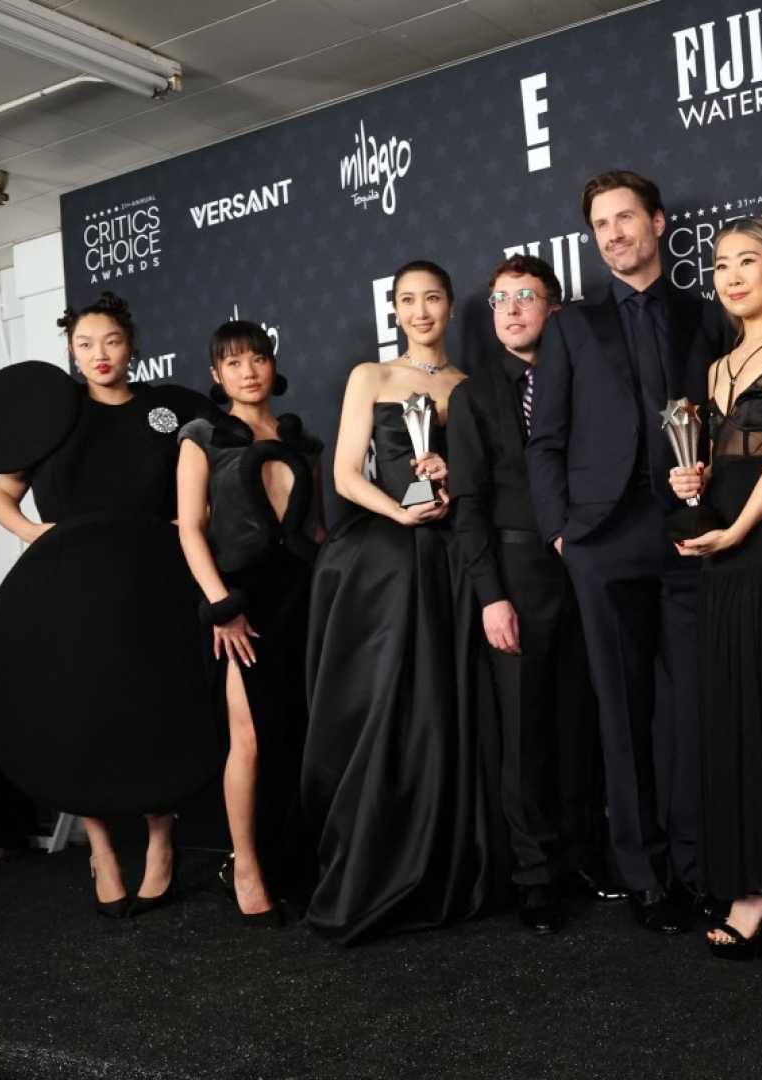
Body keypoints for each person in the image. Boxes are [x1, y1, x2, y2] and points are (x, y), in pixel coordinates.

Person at [526, 169, 728, 935]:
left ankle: (697, 866)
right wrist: (560, 532)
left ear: (658, 222)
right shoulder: (571, 326)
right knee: (622, 711)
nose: (613, 234)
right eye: (600, 225)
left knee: (691, 712)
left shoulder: (704, 316)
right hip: (601, 540)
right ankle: (644, 875)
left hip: (688, 534)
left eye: (624, 218)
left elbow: (727, 420)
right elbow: (545, 439)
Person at [0, 293, 217, 919]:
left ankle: (160, 843)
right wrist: (37, 535)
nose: (99, 355)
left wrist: (191, 520)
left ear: (131, 345)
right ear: (72, 352)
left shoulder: (172, 407)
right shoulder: (54, 417)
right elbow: (1, 495)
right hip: (68, 592)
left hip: (149, 589)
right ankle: (102, 852)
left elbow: (215, 481)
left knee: (154, 711)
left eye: (110, 341)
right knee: (77, 714)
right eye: (85, 344)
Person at [301, 260, 501, 944]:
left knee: (449, 706)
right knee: (391, 707)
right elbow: (343, 475)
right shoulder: (372, 377)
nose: (421, 311)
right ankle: (377, 862)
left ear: (450, 307)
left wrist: (452, 475)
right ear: (395, 310)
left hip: (453, 560)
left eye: (432, 298)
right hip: (388, 558)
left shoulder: (470, 387)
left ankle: (447, 860)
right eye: (408, 300)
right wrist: (400, 511)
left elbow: (485, 479)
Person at [666, 218, 762, 958]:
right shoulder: (717, 367)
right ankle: (749, 877)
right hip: (723, 551)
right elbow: (726, 458)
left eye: (747, 261)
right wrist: (692, 484)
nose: (731, 276)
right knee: (732, 711)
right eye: (721, 264)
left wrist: (737, 532)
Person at [446, 254, 607, 936]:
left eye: (526, 297)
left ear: (554, 308)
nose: (511, 310)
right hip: (515, 574)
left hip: (589, 566)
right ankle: (536, 877)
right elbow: (468, 505)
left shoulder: (586, 381)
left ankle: (585, 858)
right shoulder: (474, 396)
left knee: (582, 721)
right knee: (522, 731)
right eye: (501, 300)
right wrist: (491, 595)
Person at [176, 320, 324, 925]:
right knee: (251, 739)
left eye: (257, 358)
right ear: (216, 374)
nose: (247, 371)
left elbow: (317, 531)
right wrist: (221, 607)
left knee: (300, 733)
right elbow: (190, 529)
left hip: (301, 596)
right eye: (233, 363)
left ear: (272, 364)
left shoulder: (302, 441)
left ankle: (296, 859)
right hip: (238, 602)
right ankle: (245, 867)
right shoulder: (201, 437)